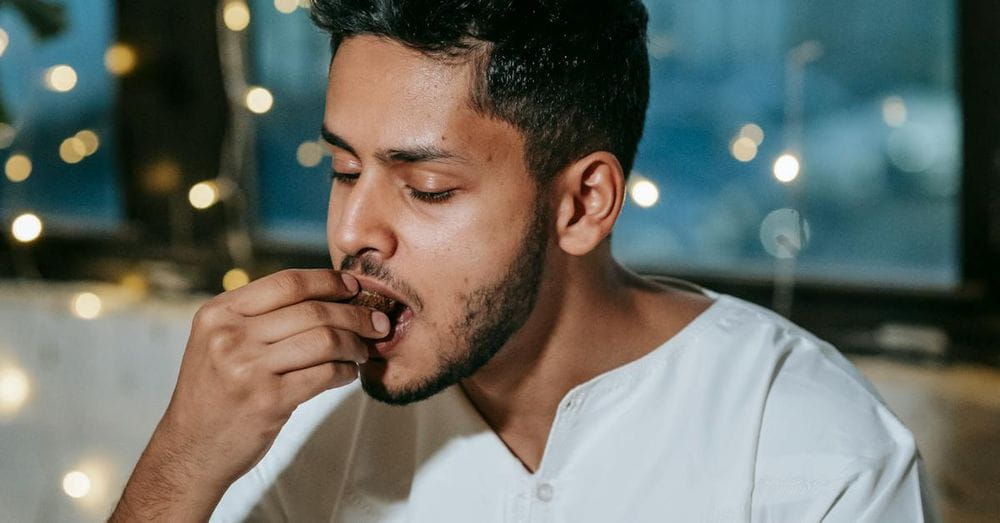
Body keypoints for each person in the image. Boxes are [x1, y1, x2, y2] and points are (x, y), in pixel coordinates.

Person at [110, 1, 937, 521]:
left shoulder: (807, 448)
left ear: (582, 203)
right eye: (342, 170)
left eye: (426, 188)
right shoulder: (298, 424)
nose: (354, 230)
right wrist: (184, 458)